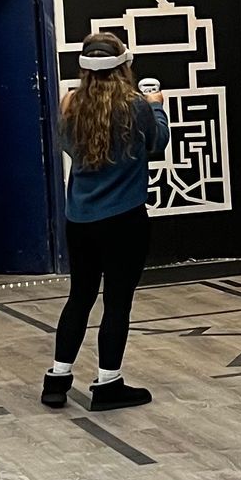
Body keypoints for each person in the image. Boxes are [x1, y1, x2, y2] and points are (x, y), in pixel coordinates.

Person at [43, 32, 169, 411]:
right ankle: (108, 382)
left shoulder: (71, 103)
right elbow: (157, 144)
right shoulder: (135, 106)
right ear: (123, 65)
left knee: (79, 297)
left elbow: (69, 146)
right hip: (124, 219)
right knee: (117, 302)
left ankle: (57, 379)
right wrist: (158, 106)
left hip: (79, 219)